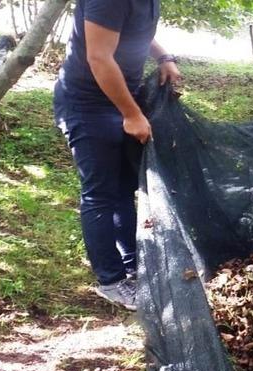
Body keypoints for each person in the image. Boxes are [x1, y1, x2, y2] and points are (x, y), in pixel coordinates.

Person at [53, 0, 181, 311]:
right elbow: (98, 56)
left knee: (124, 189)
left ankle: (133, 267)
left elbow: (134, 30)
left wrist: (163, 56)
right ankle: (111, 281)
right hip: (87, 104)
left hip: (121, 96)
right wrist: (131, 113)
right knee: (100, 193)